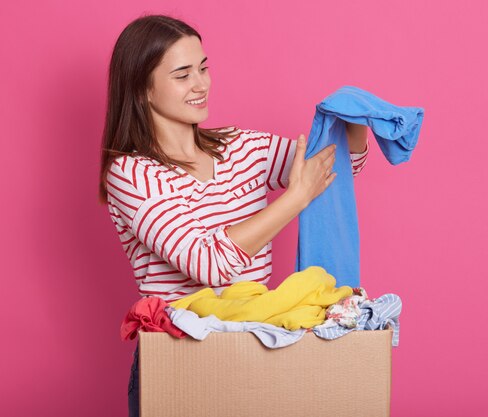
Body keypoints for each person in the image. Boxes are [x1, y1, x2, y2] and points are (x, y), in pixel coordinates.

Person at [98, 14, 369, 417]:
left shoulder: (241, 148)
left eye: (204, 68)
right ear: (143, 90)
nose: (201, 84)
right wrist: (295, 198)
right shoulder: (132, 174)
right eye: (182, 74)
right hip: (177, 357)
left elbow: (336, 168)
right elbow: (210, 263)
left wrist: (356, 116)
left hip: (255, 351)